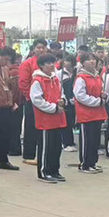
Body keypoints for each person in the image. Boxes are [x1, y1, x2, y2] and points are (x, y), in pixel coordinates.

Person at [30, 53, 66, 183]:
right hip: (45, 119)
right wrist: (53, 108)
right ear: (41, 65)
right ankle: (44, 172)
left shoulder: (55, 79)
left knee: (56, 147)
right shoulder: (37, 81)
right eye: (48, 63)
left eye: (53, 62)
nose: (51, 65)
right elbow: (37, 100)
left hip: (57, 118)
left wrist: (62, 101)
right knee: (46, 147)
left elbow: (61, 93)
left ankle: (54, 170)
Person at [73, 52, 106, 173]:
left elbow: (99, 90)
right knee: (87, 140)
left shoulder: (97, 77)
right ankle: (85, 164)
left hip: (97, 113)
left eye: (93, 59)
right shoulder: (81, 78)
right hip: (86, 114)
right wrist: (97, 101)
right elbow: (80, 96)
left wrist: (103, 95)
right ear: (82, 63)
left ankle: (93, 162)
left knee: (95, 140)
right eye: (88, 60)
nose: (92, 61)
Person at [18, 39, 48, 164]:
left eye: (43, 47)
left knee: (44, 127)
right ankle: (29, 155)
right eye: (38, 47)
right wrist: (30, 97)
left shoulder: (50, 63)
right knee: (31, 127)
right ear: (34, 49)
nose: (41, 50)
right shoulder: (28, 64)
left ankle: (41, 153)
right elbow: (23, 83)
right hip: (32, 100)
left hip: (47, 101)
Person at [58, 54, 78, 152]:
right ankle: (66, 142)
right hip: (65, 100)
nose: (66, 63)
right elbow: (59, 87)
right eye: (65, 60)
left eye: (68, 61)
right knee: (66, 122)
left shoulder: (76, 72)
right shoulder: (60, 73)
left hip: (74, 99)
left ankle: (71, 141)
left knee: (71, 121)